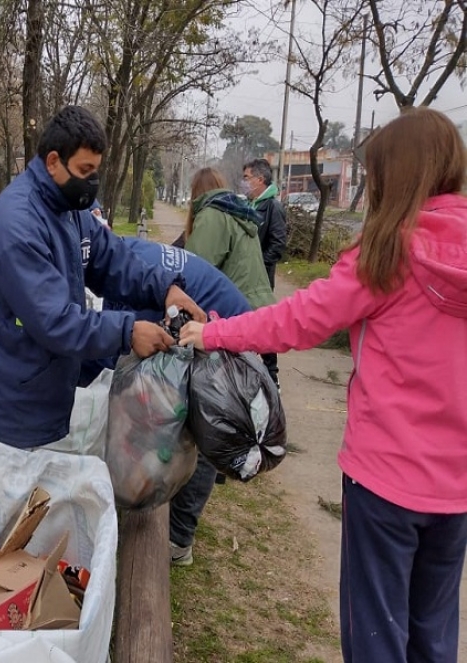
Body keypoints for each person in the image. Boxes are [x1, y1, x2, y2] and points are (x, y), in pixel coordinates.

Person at [180, 107, 467, 663]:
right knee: (434, 634)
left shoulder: (387, 253)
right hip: (456, 485)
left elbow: (297, 320)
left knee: (376, 634)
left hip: (385, 480)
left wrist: (214, 333)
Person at [0, 105, 204, 449]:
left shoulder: (69, 208)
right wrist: (128, 331)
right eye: (85, 170)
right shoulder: (16, 226)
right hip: (6, 397)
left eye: (96, 171)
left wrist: (165, 288)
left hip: (38, 382)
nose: (91, 182)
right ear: (53, 162)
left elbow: (111, 258)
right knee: (12, 480)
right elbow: (54, 320)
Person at [81, 238, 252, 566]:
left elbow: (112, 362)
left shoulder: (127, 285)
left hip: (231, 336)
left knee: (195, 429)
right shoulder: (122, 258)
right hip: (219, 325)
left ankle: (178, 539)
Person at [183, 167, 279, 386]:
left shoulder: (212, 215)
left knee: (227, 390)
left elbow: (194, 269)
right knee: (252, 385)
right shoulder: (239, 212)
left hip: (233, 313)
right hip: (258, 307)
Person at [241, 158, 288, 289]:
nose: (243, 183)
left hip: (259, 279)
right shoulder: (247, 205)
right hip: (242, 276)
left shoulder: (273, 207)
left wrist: (258, 265)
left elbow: (277, 245)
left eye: (246, 178)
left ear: (260, 180)